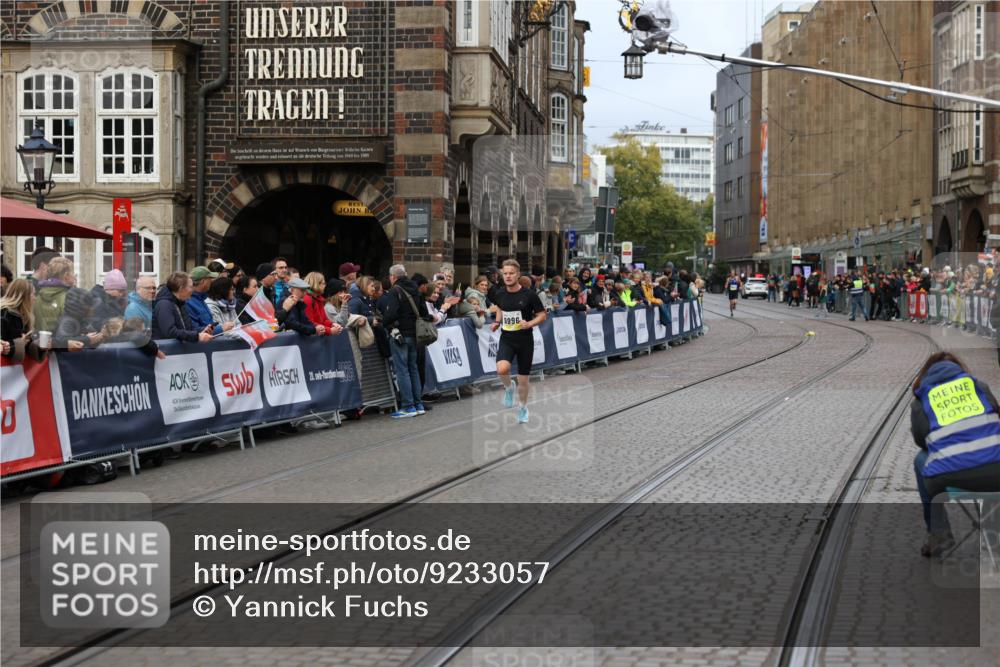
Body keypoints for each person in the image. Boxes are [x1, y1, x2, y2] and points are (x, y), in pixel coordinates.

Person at [910, 352, 1000, 556]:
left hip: (951, 479)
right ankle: (993, 534)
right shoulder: (979, 387)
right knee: (990, 453)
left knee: (921, 460)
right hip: (996, 476)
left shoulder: (921, 399)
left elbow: (920, 440)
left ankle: (939, 533)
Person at [490, 259, 547, 424]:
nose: (507, 276)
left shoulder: (529, 295)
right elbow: (500, 307)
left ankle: (522, 407)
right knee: (502, 369)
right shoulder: (499, 293)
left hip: (524, 340)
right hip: (507, 338)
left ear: (518, 274)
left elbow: (542, 315)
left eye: (511, 273)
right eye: (505, 273)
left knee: (523, 380)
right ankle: (508, 388)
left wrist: (529, 323)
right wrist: (497, 322)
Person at [380, 264, 431, 418]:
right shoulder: (416, 290)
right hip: (415, 334)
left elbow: (390, 315)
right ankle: (418, 404)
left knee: (402, 371)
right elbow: (424, 313)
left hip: (400, 334)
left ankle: (408, 406)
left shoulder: (395, 291)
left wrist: (384, 321)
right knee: (413, 369)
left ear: (393, 277)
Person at [152, 272, 214, 343]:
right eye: (190, 287)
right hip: (166, 352)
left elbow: (189, 328)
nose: (193, 290)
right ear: (181, 288)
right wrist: (197, 336)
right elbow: (170, 332)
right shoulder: (164, 304)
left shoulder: (181, 303)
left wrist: (202, 331)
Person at [33, 256, 76, 334]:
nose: (74, 276)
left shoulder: (38, 295)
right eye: (73, 273)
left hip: (41, 341)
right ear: (66, 275)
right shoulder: (69, 297)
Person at [186, 266, 233, 335]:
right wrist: (221, 328)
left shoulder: (201, 299)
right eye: (210, 278)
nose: (212, 281)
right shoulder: (188, 302)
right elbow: (194, 330)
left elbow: (209, 325)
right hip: (202, 345)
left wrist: (220, 327)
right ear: (203, 281)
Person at [1, 279, 35, 357]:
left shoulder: (24, 315)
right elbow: (3, 345)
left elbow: (23, 344)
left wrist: (39, 346)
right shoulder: (4, 314)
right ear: (24, 296)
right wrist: (19, 344)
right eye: (33, 294)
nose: (34, 298)